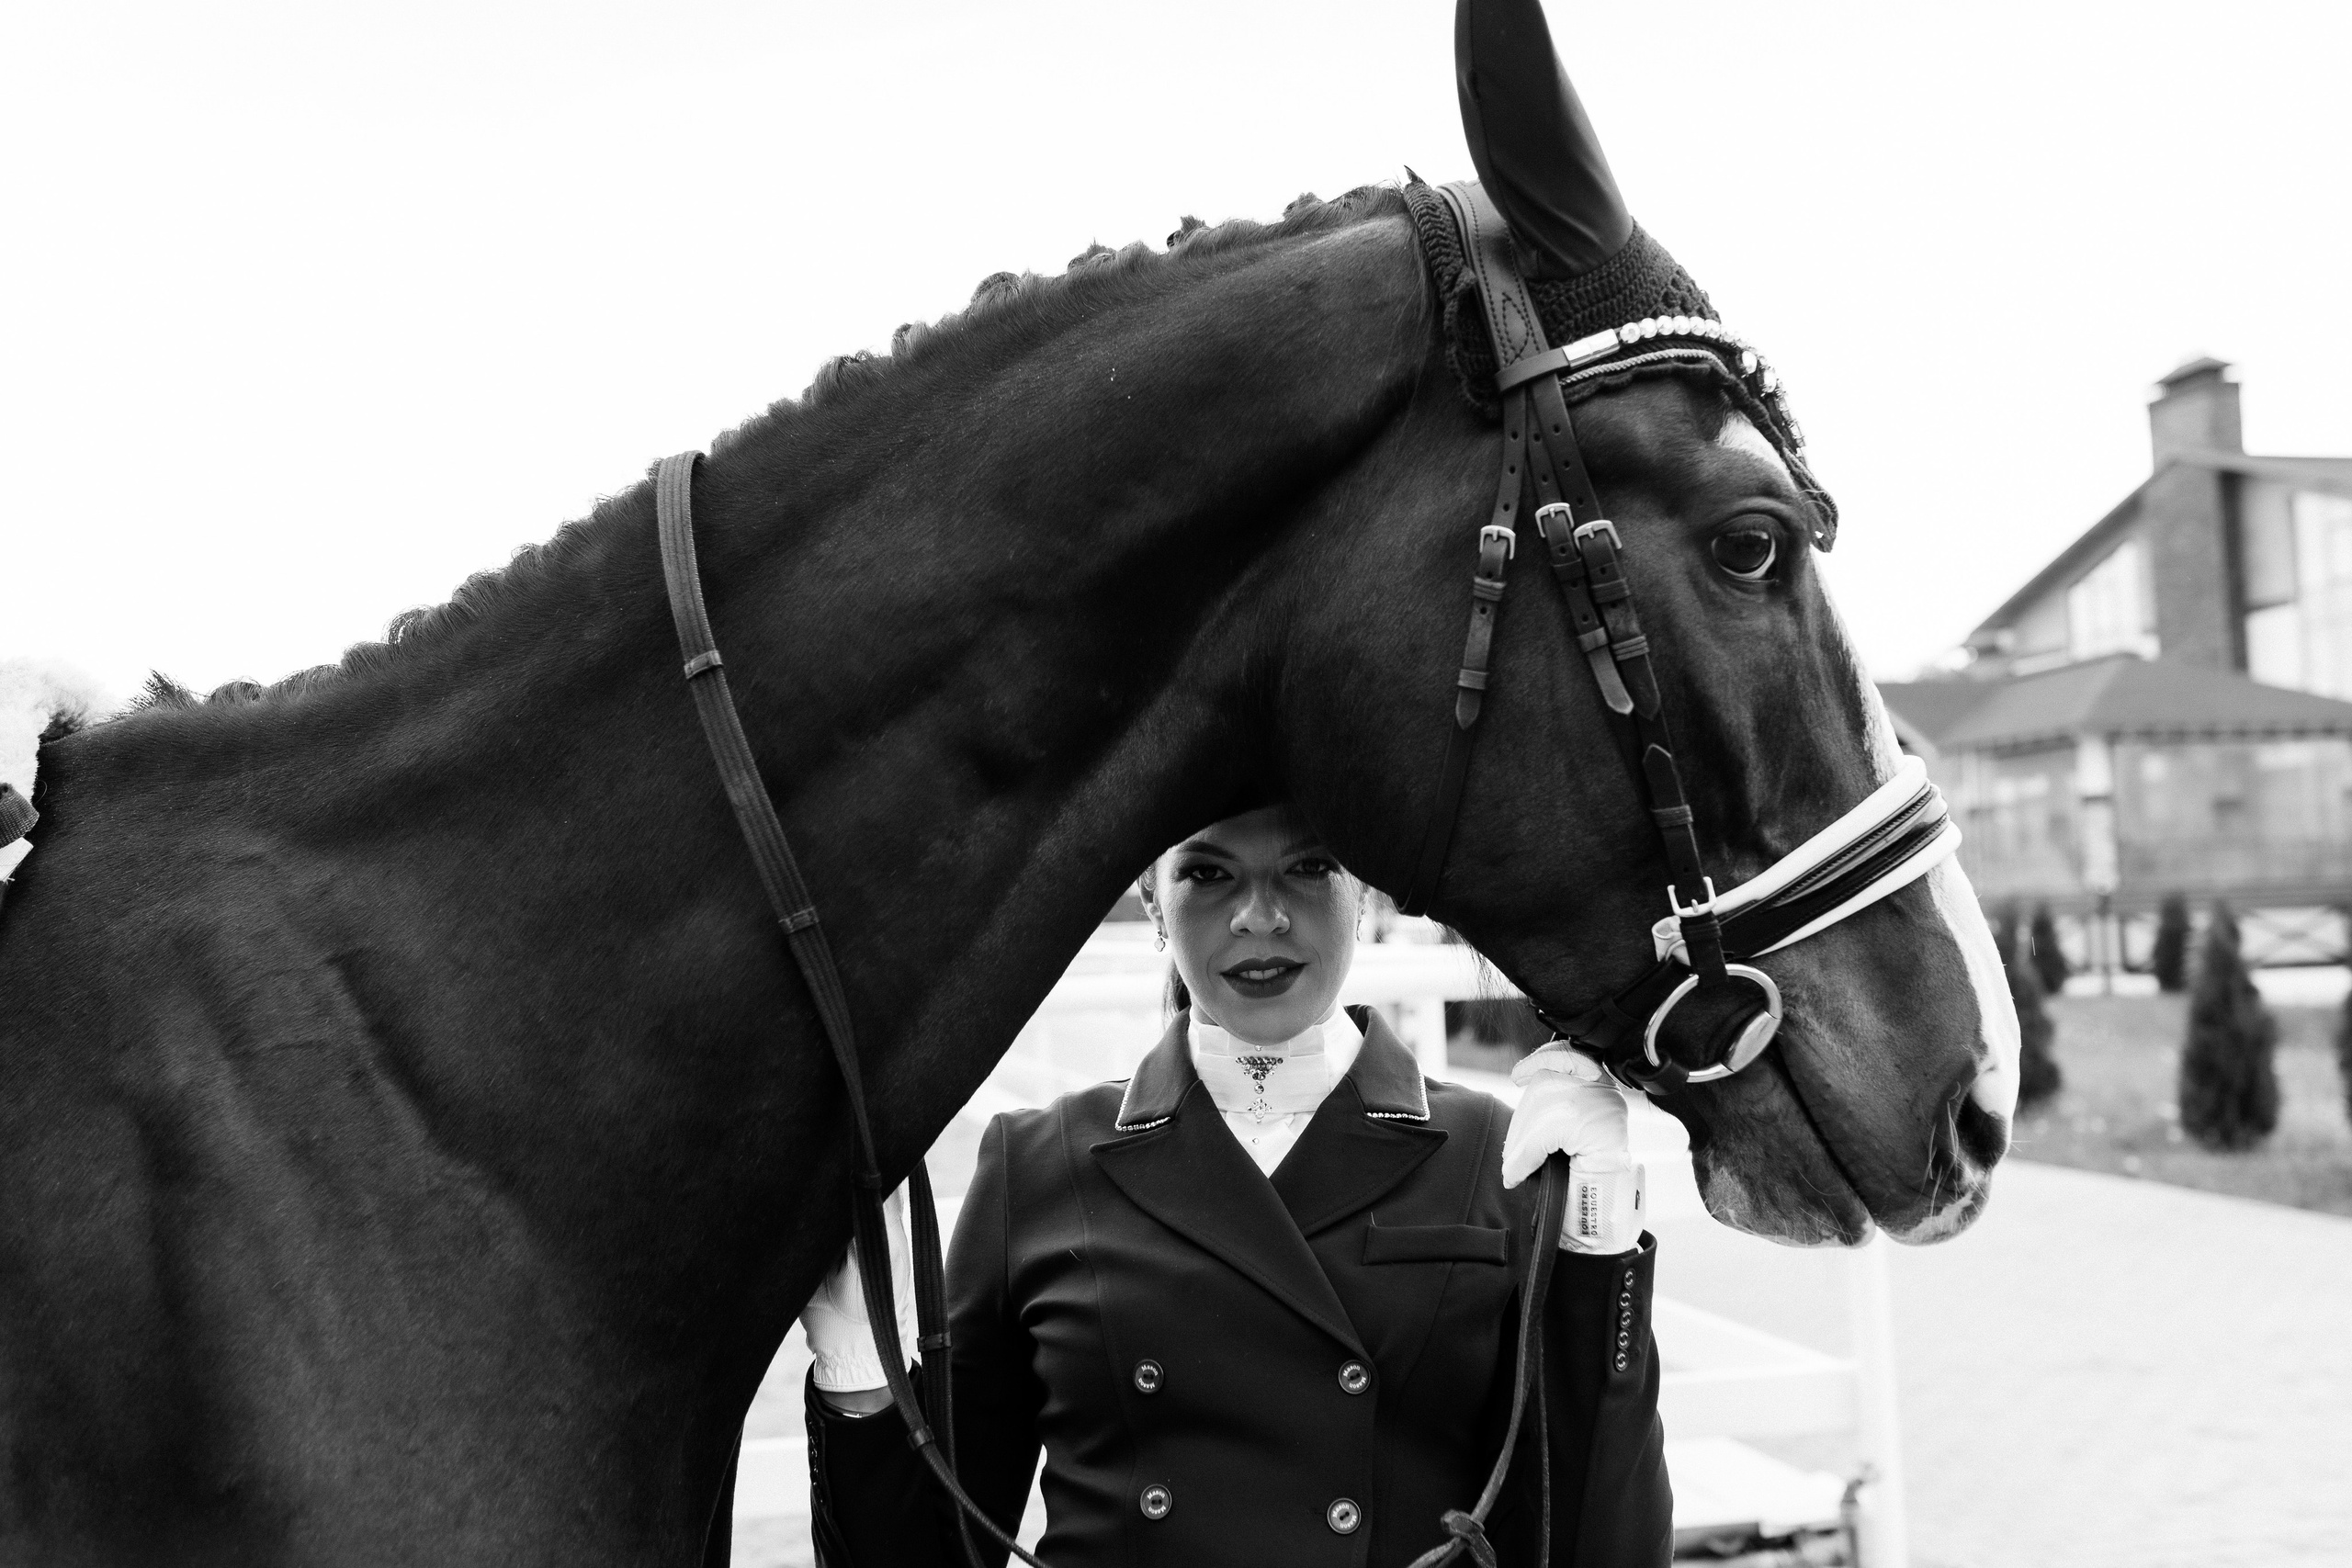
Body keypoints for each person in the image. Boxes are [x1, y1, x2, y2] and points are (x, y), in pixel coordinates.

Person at [799, 805, 1672, 1565]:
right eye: (1210, 872)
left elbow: (1602, 1545)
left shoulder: (1496, 1151)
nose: (1260, 917)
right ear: (1152, 898)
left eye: (1308, 866)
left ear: (1362, 890)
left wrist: (1597, 1229)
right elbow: (942, 1552)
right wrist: (860, 1371)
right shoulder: (1035, 1163)